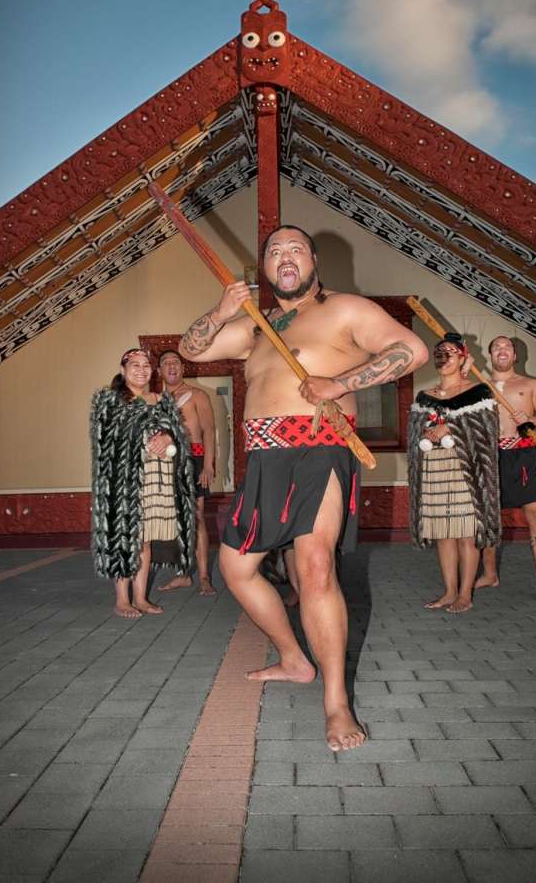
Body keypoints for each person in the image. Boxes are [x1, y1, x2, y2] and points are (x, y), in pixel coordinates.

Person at [179, 225, 428, 750]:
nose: (285, 256)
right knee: (235, 568)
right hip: (264, 458)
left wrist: (340, 384)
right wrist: (221, 312)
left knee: (315, 567)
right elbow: (191, 350)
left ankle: (337, 703)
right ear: (265, 267)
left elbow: (411, 350)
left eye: (295, 249)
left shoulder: (345, 309)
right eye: (274, 251)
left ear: (314, 260)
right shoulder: (259, 326)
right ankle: (294, 659)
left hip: (320, 448)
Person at [90, 349, 197, 618]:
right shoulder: (109, 400)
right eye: (134, 365)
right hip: (125, 482)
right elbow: (107, 440)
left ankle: (140, 597)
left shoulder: (162, 400)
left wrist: (169, 437)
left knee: (145, 540)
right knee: (127, 537)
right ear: (123, 370)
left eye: (146, 365)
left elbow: (179, 435)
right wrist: (146, 427)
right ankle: (122, 600)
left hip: (158, 479)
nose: (141, 370)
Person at [408, 333, 500, 613]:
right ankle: (449, 592)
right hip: (434, 468)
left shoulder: (478, 391)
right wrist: (426, 432)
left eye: (450, 352)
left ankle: (465, 594)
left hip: (466, 469)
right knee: (443, 532)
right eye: (440, 352)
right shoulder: (425, 397)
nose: (444, 356)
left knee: (466, 533)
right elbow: (414, 433)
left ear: (462, 358)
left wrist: (449, 427)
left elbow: (487, 429)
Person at [475, 335, 536, 601]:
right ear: (490, 354)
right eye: (496, 346)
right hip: (489, 455)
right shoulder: (478, 386)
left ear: (515, 356)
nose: (501, 350)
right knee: (488, 516)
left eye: (507, 347)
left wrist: (531, 419)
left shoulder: (531, 385)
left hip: (524, 454)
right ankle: (490, 574)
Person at [157, 349, 216, 596]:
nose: (171, 366)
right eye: (166, 362)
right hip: (168, 462)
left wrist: (208, 465)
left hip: (195, 459)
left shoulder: (197, 395)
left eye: (176, 362)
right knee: (176, 519)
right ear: (159, 370)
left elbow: (209, 430)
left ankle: (203, 577)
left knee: (197, 516)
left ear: (182, 368)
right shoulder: (157, 400)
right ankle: (183, 574)